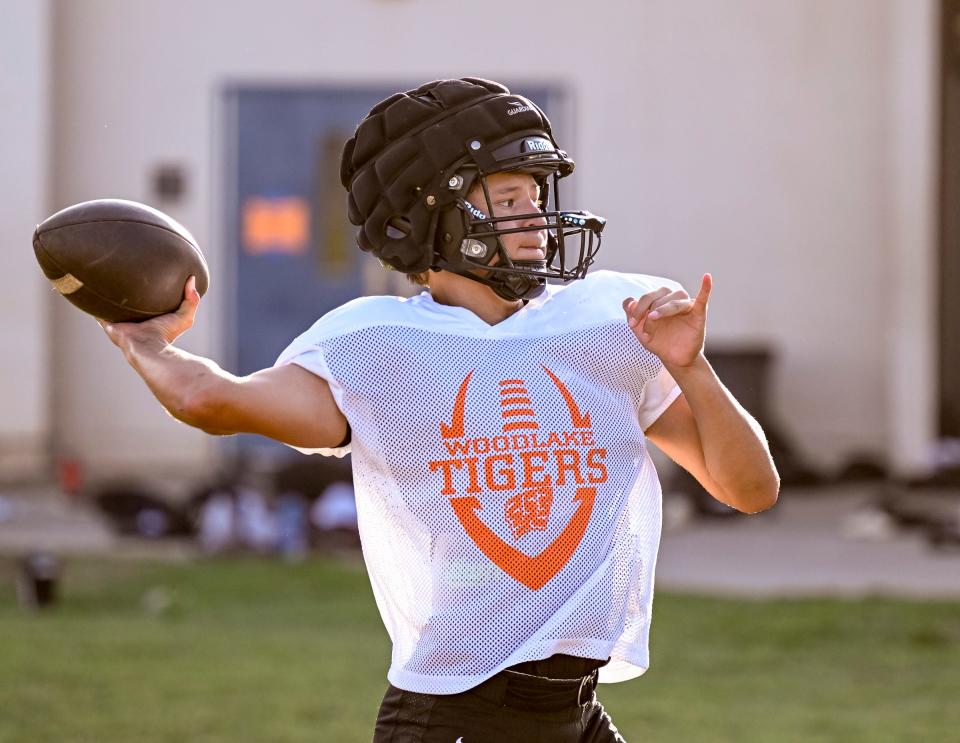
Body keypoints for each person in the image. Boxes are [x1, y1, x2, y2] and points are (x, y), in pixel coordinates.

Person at [100, 78, 779, 742]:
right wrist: (145, 341)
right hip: (459, 717)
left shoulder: (611, 321)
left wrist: (692, 368)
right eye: (511, 196)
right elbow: (208, 398)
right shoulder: (373, 344)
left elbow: (749, 488)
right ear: (439, 216)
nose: (538, 217)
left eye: (537, 194)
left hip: (574, 709)